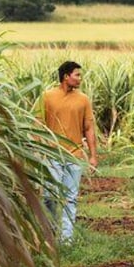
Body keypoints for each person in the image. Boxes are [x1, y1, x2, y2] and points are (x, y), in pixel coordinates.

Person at [39, 61, 98, 244]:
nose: (80, 78)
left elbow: (88, 128)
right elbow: (38, 125)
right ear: (66, 76)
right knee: (50, 196)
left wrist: (93, 155)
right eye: (77, 75)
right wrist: (40, 149)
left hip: (75, 156)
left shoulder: (83, 100)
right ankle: (50, 232)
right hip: (52, 155)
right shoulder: (47, 97)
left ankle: (66, 239)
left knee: (70, 198)